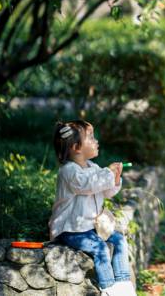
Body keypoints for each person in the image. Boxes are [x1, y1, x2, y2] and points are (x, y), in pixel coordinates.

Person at [48, 120, 136, 296]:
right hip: (70, 229)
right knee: (100, 248)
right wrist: (107, 173)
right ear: (76, 147)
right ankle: (109, 288)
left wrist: (115, 178)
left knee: (118, 239)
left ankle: (123, 282)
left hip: (89, 228)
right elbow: (87, 184)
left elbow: (105, 191)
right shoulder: (69, 171)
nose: (96, 141)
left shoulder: (93, 167)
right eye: (91, 137)